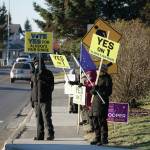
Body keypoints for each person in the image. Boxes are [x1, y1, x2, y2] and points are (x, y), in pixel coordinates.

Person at [30, 58, 55, 140]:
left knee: (46, 118)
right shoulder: (33, 73)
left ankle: (50, 134)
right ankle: (39, 135)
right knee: (38, 119)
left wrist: (43, 78)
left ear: (42, 64)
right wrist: (32, 99)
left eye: (38, 63)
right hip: (36, 100)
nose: (36, 65)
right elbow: (32, 88)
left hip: (45, 99)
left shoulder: (48, 73)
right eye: (35, 63)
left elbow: (51, 87)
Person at [90, 64, 113, 146]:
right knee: (95, 121)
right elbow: (92, 91)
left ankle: (104, 139)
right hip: (95, 103)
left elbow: (108, 92)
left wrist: (99, 90)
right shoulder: (97, 78)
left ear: (103, 70)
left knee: (101, 121)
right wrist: (94, 90)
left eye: (98, 69)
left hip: (102, 103)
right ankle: (97, 137)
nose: (97, 71)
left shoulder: (107, 78)